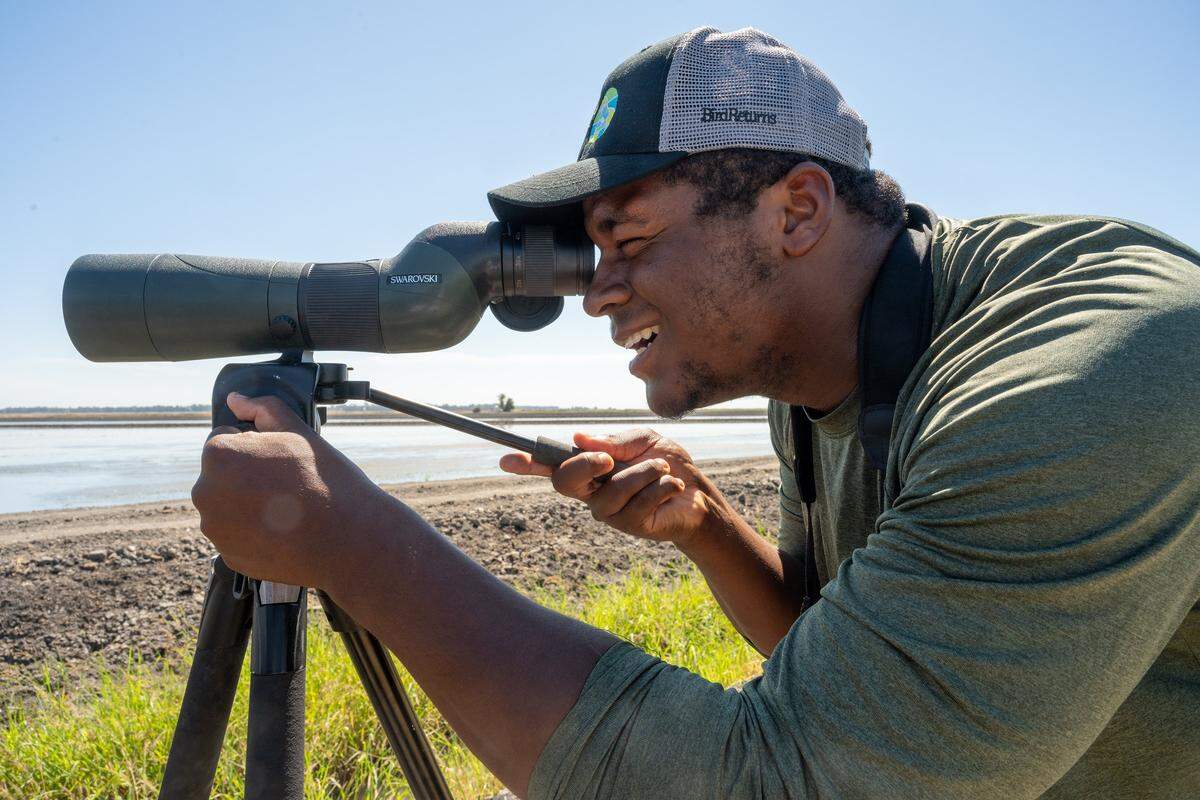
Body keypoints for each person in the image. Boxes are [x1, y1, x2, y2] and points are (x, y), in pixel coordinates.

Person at [192, 26, 1200, 799]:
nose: (597, 291)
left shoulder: (1087, 375)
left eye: (627, 237)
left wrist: (349, 542)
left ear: (796, 211)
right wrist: (714, 532)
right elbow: (836, 662)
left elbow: (784, 775)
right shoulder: (821, 371)